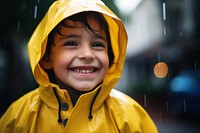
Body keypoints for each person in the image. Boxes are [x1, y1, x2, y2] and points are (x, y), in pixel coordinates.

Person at [0, 0, 158, 132]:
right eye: (71, 43)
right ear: (46, 57)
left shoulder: (129, 117)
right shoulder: (20, 116)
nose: (87, 54)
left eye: (97, 44)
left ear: (110, 56)